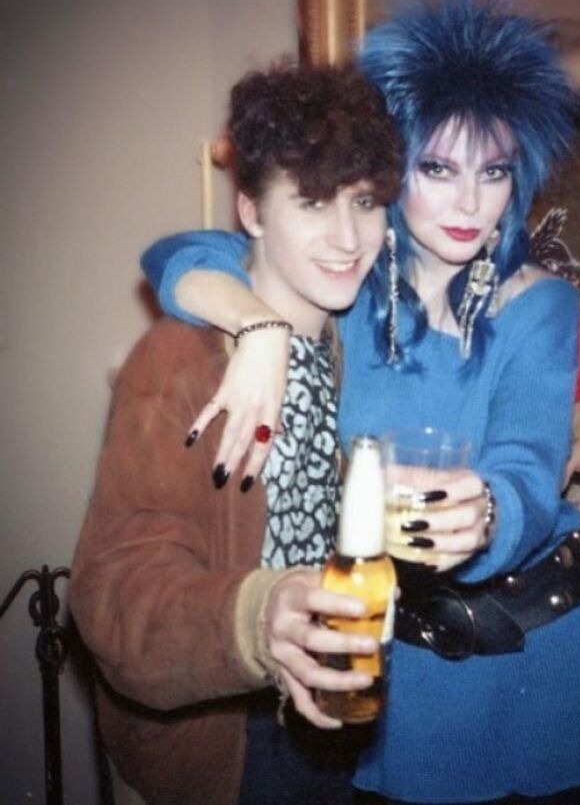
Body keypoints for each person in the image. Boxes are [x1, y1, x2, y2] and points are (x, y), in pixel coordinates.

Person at [141, 0, 580, 803]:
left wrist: (496, 507)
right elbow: (183, 252)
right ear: (393, 168)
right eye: (437, 167)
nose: (470, 202)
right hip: (406, 674)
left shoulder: (541, 306)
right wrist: (256, 326)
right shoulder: (341, 291)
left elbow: (528, 466)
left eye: (493, 171)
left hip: (551, 662)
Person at [69, 61, 405, 805]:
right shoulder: (183, 361)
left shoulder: (360, 342)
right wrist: (260, 617)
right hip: (230, 748)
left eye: (365, 202)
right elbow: (116, 598)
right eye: (313, 203)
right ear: (251, 210)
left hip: (348, 718)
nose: (349, 237)